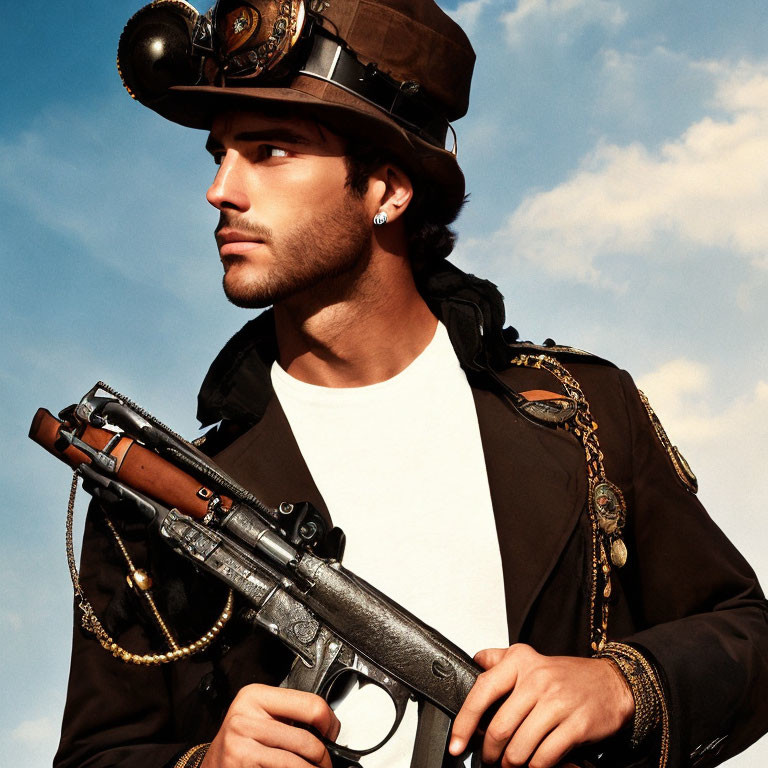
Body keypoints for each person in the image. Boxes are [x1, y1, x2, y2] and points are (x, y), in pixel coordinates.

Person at [52, 1, 768, 768]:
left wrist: (623, 684)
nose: (221, 190)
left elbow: (748, 635)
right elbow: (97, 753)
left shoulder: (586, 413)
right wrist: (205, 764)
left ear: (388, 192)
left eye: (270, 151)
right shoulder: (162, 495)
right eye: (219, 153)